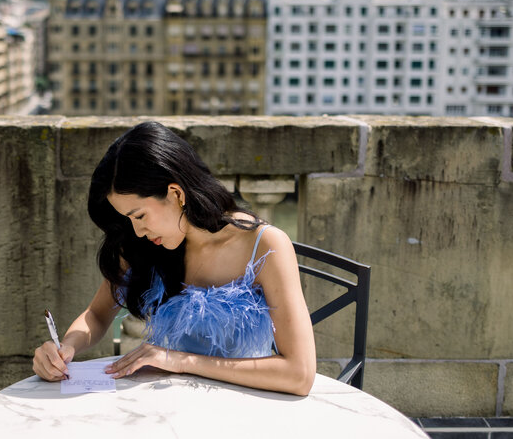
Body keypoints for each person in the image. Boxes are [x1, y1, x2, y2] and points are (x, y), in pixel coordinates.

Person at [33, 121, 316, 395]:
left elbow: (299, 374)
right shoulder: (142, 244)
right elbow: (96, 314)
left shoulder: (263, 245)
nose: (137, 231)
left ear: (176, 193)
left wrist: (181, 361)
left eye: (140, 215)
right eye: (128, 219)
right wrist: (65, 348)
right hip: (165, 408)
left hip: (243, 407)